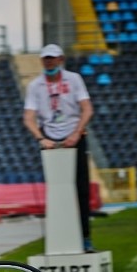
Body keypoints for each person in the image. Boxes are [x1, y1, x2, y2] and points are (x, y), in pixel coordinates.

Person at [23, 43, 95, 252]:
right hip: (49, 138)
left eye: (53, 58)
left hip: (75, 135)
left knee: (81, 189)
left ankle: (85, 237)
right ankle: (58, 239)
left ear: (61, 59)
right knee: (55, 191)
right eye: (46, 58)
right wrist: (40, 138)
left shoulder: (73, 79)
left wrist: (77, 132)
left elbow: (87, 108)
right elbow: (28, 117)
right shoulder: (36, 85)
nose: (50, 62)